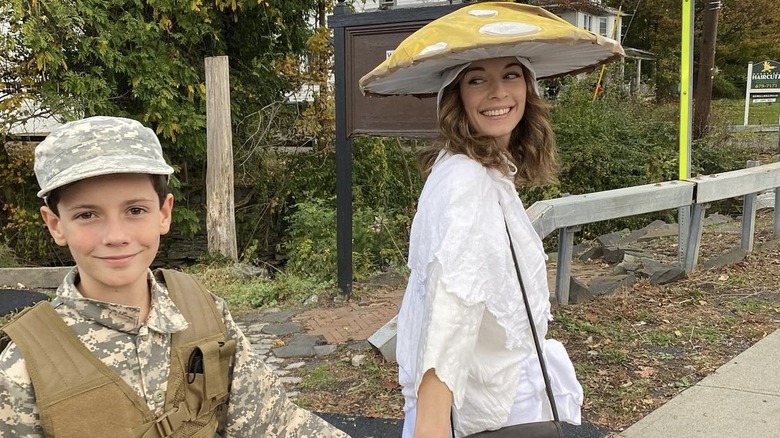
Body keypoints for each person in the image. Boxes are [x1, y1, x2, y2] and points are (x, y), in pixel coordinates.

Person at [359, 3, 624, 437]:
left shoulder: (481, 171)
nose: (498, 92)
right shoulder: (467, 181)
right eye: (477, 79)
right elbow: (450, 309)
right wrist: (430, 428)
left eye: (511, 75)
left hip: (496, 398)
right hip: (484, 416)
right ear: (456, 97)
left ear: (529, 87)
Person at [0, 116, 351, 438]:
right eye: (88, 215)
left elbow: (275, 424)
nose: (116, 235)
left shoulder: (202, 313)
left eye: (135, 210)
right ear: (56, 225)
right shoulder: (22, 366)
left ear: (164, 214)